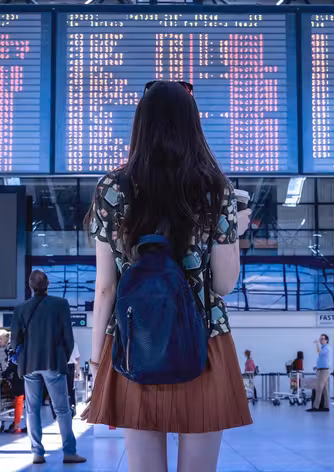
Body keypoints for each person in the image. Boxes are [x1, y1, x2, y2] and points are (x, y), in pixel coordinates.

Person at [84, 80, 253, 472]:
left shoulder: (112, 187)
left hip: (133, 342)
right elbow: (225, 285)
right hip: (204, 342)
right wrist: (232, 233)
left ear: (140, 124)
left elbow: (106, 286)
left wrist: (96, 362)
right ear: (193, 124)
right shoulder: (216, 188)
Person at [11, 270, 85, 465]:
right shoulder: (60, 304)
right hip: (53, 362)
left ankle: (37, 453)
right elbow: (68, 337)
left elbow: (14, 341)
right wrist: (63, 356)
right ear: (48, 284)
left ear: (30, 286)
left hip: (29, 365)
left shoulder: (20, 309)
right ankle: (69, 452)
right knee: (62, 409)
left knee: (32, 409)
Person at [0, 329, 24, 434]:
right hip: (23, 374)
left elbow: (13, 362)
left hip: (19, 376)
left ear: (3, 338)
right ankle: (18, 423)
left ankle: (16, 425)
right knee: (22, 401)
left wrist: (5, 373)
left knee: (19, 400)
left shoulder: (13, 346)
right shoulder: (16, 344)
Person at [308, 334, 331, 412]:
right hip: (321, 370)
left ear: (326, 340)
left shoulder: (326, 348)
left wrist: (317, 343)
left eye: (322, 339)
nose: (321, 340)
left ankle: (316, 406)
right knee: (325, 389)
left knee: (319, 388)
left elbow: (319, 353)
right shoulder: (323, 348)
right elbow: (322, 359)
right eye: (320, 339)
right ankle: (326, 406)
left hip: (323, 371)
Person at [67, 342, 80, 415]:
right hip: (70, 367)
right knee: (71, 388)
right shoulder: (73, 343)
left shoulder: (57, 340)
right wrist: (77, 372)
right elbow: (77, 359)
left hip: (59, 367)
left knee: (60, 389)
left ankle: (62, 409)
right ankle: (72, 407)